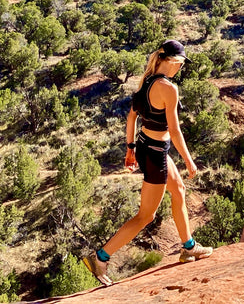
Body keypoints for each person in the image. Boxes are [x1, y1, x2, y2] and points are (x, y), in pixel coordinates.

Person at [82, 39, 213, 285]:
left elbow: (132, 117)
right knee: (146, 216)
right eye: (181, 64)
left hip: (146, 147)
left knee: (179, 190)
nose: (181, 68)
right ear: (174, 62)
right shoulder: (168, 88)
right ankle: (100, 257)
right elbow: (174, 131)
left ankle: (188, 247)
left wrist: (130, 149)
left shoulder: (146, 80)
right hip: (155, 154)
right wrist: (189, 160)